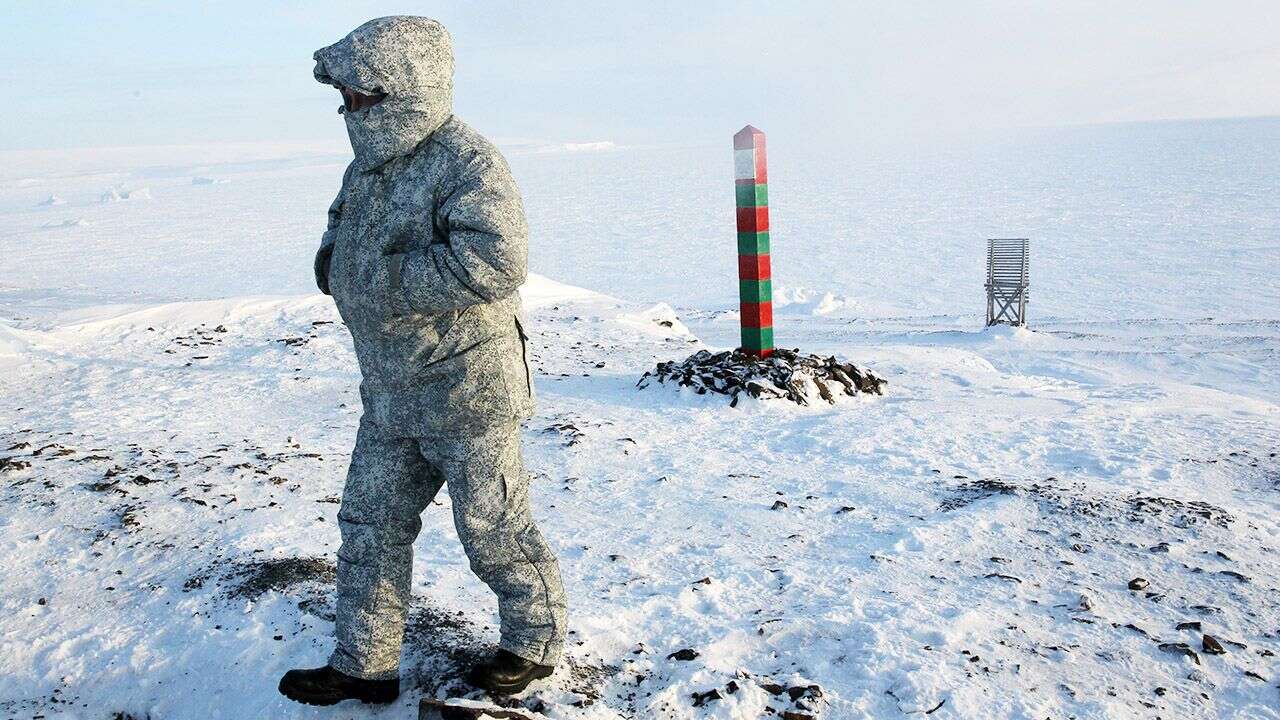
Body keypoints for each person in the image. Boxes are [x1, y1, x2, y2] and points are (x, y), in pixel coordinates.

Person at [278, 16, 567, 707]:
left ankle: (533, 643)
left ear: (404, 88)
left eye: (363, 96)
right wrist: (331, 264)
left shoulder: (467, 160)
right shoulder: (366, 167)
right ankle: (365, 664)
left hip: (470, 389)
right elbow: (341, 231)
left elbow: (494, 262)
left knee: (493, 530)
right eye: (345, 97)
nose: (350, 108)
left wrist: (379, 281)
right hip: (391, 391)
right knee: (369, 526)